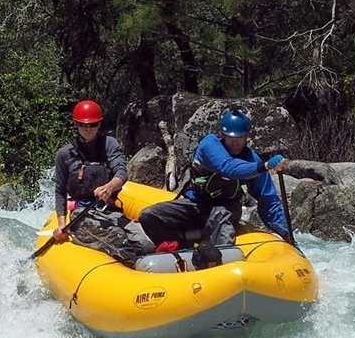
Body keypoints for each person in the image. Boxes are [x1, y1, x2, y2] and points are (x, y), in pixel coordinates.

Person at [139, 108, 290, 251]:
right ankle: (179, 247)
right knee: (149, 216)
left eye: (240, 138)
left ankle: (219, 260)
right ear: (222, 135)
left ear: (246, 137)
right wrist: (264, 166)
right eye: (231, 138)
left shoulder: (251, 159)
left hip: (226, 208)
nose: (235, 142)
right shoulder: (209, 145)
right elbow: (229, 168)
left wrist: (285, 232)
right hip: (195, 204)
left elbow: (268, 200)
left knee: (220, 215)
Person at [51, 100, 151, 256]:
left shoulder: (109, 144)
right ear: (76, 125)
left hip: (109, 210)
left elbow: (121, 172)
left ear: (99, 124)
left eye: (93, 125)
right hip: (80, 213)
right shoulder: (64, 154)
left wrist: (110, 186)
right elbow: (60, 191)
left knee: (145, 243)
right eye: (83, 125)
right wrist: (62, 226)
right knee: (119, 239)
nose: (88, 129)